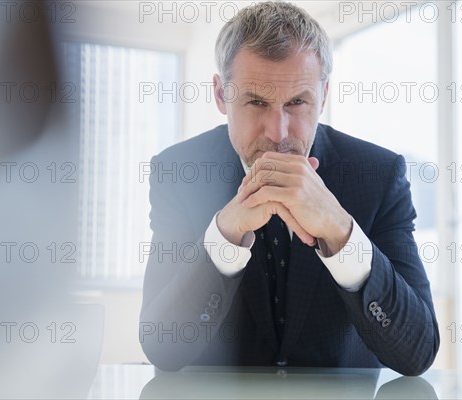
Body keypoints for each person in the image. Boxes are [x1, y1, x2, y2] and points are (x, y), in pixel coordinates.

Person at [139, 1, 439, 376]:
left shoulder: (378, 175)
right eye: (256, 102)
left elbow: (418, 353)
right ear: (221, 95)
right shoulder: (179, 173)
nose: (278, 133)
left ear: (324, 96)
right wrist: (225, 236)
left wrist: (342, 234)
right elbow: (163, 348)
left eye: (297, 102)